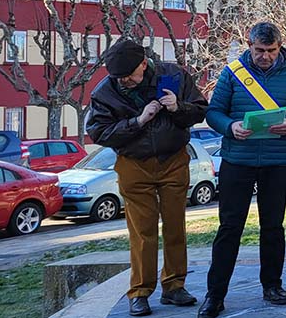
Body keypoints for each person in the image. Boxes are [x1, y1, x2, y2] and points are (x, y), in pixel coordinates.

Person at [199, 22, 286, 318]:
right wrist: (230, 126)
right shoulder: (232, 73)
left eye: (271, 51)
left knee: (273, 227)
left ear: (280, 48)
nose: (265, 56)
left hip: (277, 160)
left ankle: (272, 286)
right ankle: (215, 294)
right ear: (249, 45)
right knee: (229, 228)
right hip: (237, 159)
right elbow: (213, 112)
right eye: (259, 50)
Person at [86, 39, 207, 316]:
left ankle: (174, 286)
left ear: (143, 63)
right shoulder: (105, 92)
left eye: (128, 74)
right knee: (142, 231)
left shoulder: (174, 75)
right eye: (117, 77)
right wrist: (138, 121)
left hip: (173, 159)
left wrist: (178, 108)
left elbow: (200, 110)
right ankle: (140, 291)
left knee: (176, 226)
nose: (124, 81)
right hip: (133, 164)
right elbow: (99, 132)